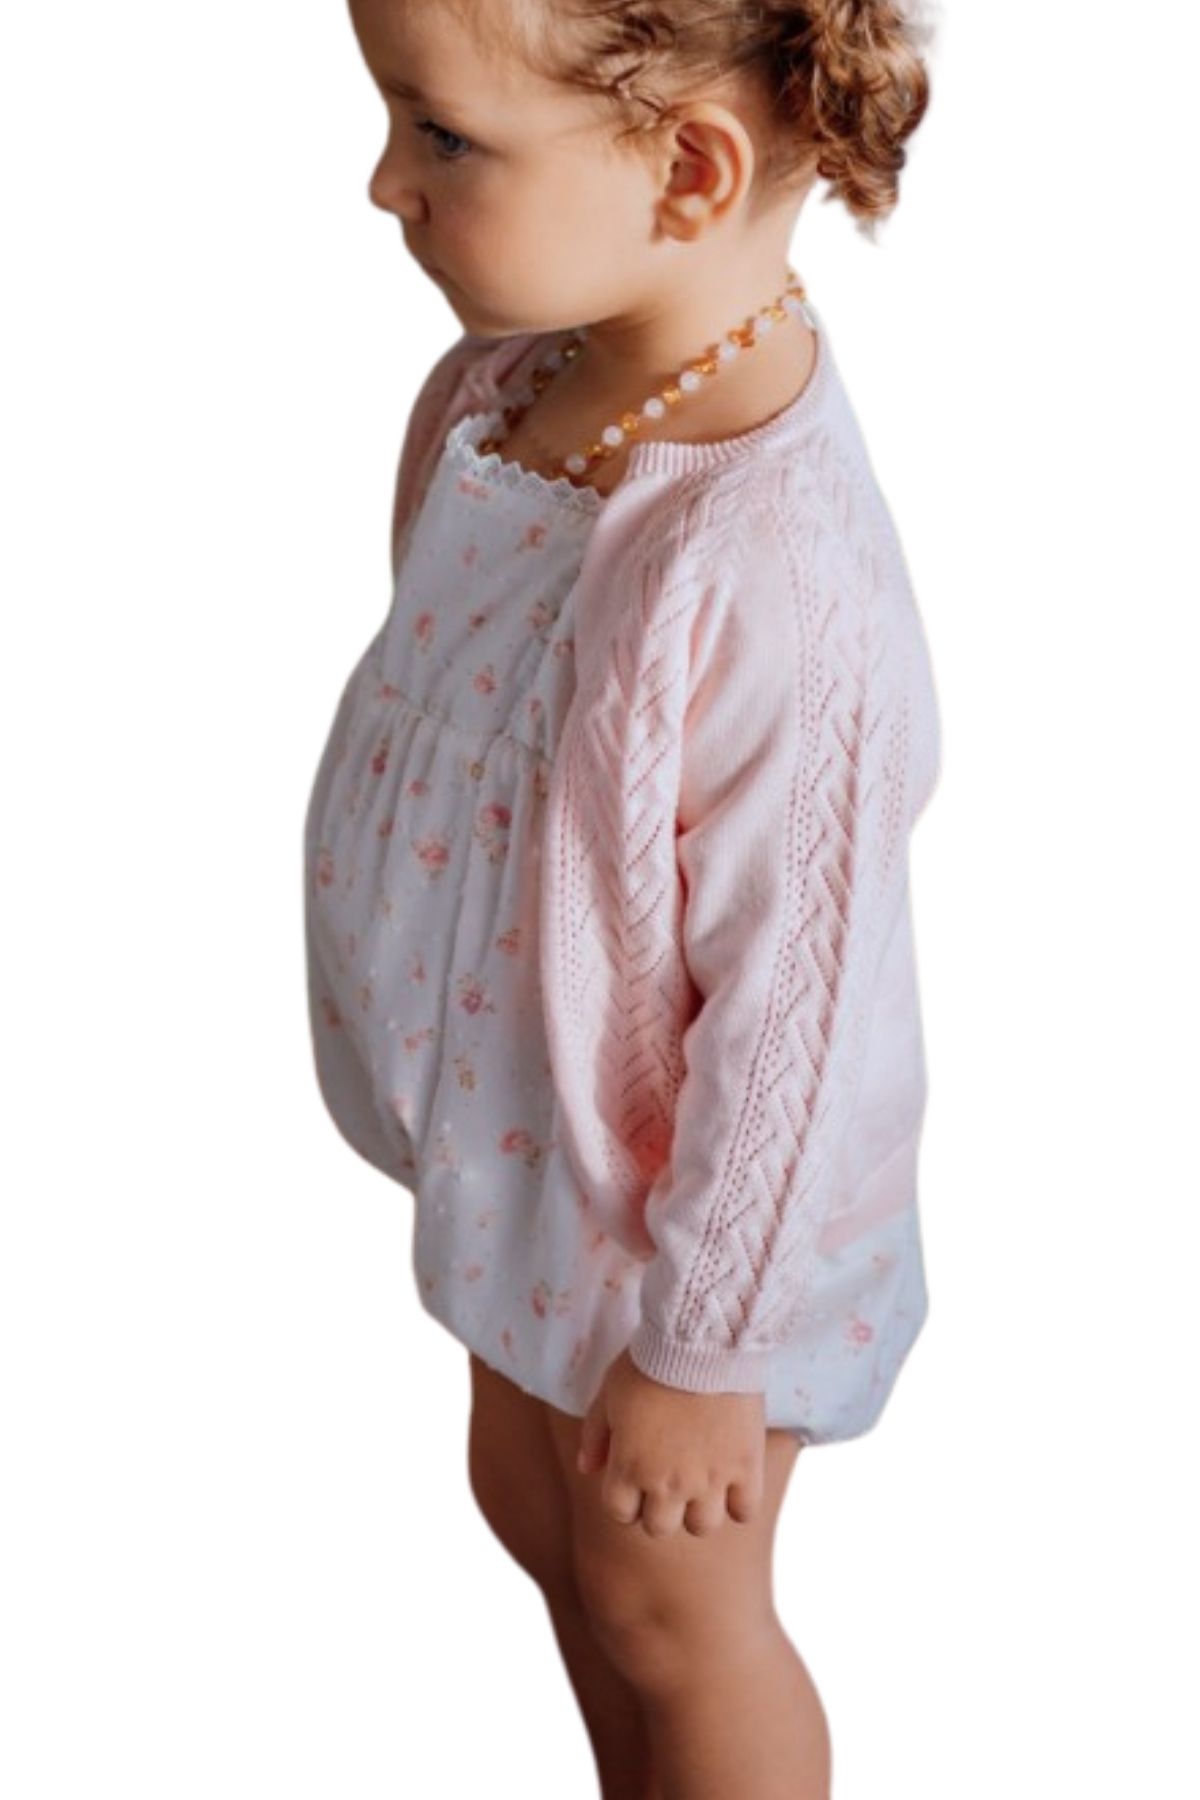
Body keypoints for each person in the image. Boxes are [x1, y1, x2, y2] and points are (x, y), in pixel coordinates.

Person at [302, 1, 941, 1794]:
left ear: (687, 174)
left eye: (442, 136)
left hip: (695, 1222)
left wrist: (706, 1349)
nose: (384, 183)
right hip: (524, 1146)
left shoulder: (771, 572)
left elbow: (801, 1009)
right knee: (536, 1513)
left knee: (674, 1605)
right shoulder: (506, 394)